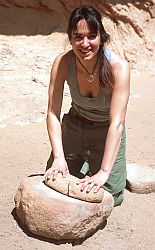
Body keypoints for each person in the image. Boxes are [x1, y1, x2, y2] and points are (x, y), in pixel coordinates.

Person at [45, 5, 130, 206]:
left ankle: (95, 166)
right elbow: (52, 112)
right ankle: (81, 164)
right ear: (70, 38)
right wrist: (58, 157)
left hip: (105, 130)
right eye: (78, 37)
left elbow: (117, 124)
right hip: (74, 126)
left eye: (91, 36)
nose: (85, 44)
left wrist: (103, 172)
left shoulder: (118, 68)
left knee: (112, 196)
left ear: (101, 37)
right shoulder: (63, 62)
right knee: (55, 178)